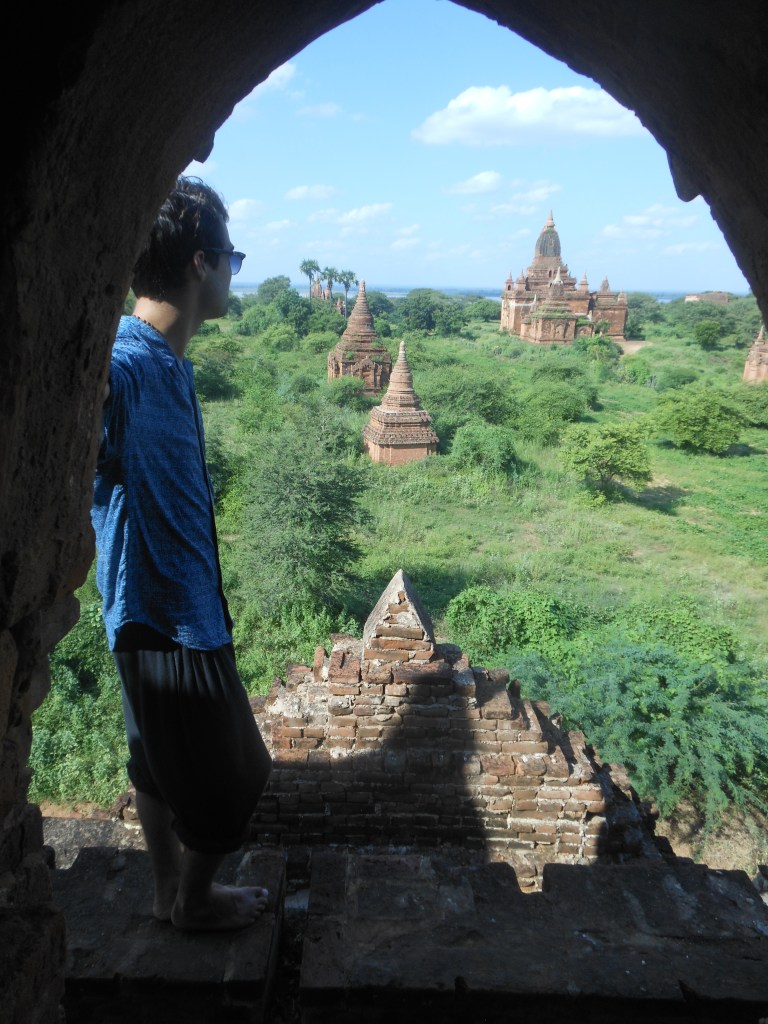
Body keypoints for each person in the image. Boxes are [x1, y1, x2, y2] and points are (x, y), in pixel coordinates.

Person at [92, 175, 273, 931]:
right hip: (165, 616)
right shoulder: (129, 365)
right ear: (202, 263)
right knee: (238, 775)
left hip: (164, 610)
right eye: (231, 254)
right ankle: (194, 900)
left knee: (152, 767)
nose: (235, 269)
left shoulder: (165, 363)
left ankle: (168, 893)